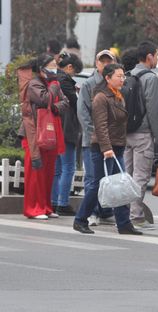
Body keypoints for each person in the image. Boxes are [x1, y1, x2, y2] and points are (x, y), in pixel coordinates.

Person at [73, 64, 142, 235]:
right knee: (97, 186)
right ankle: (80, 220)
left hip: (117, 146)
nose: (122, 79)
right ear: (107, 78)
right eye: (118, 76)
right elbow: (100, 126)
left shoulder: (118, 95)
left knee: (120, 185)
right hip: (103, 149)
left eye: (123, 76)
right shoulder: (101, 97)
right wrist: (106, 149)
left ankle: (124, 224)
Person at [19, 54, 69, 219]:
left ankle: (46, 207)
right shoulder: (34, 83)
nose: (55, 67)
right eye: (52, 64)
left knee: (48, 173)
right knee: (36, 173)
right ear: (41, 69)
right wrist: (54, 90)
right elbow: (44, 99)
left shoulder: (53, 83)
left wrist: (54, 106)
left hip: (50, 133)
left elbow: (65, 103)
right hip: (35, 134)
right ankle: (34, 208)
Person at [123, 41, 158, 229]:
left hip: (126, 133)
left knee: (127, 175)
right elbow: (153, 109)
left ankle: (123, 214)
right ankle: (136, 216)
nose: (157, 59)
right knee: (141, 177)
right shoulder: (150, 78)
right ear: (149, 57)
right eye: (156, 55)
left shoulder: (127, 75)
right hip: (143, 133)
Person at [77, 49, 116, 226]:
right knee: (93, 177)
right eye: (103, 62)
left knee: (108, 177)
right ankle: (91, 213)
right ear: (96, 63)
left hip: (111, 139)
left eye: (109, 62)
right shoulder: (89, 84)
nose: (106, 65)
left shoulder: (116, 85)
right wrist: (95, 133)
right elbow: (83, 113)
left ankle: (106, 211)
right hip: (92, 140)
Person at [51, 52, 83, 216]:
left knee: (57, 168)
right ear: (69, 67)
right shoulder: (65, 81)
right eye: (75, 72)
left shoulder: (55, 79)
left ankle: (54, 201)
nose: (74, 75)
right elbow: (76, 104)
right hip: (67, 128)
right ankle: (63, 203)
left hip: (56, 128)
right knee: (68, 167)